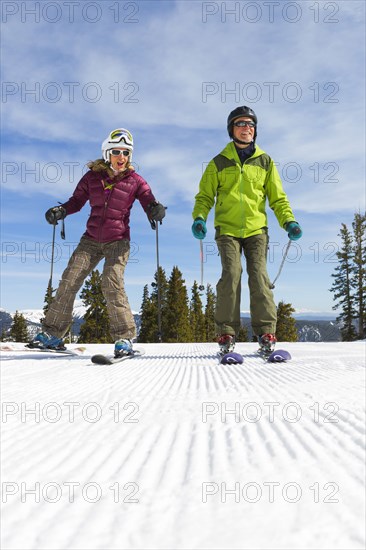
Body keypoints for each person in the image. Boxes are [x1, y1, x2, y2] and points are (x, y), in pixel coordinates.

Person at [30, 128, 165, 357]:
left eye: (125, 152)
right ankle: (53, 334)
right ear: (107, 153)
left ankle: (124, 338)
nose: (121, 157)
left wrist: (155, 209)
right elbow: (76, 202)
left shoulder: (135, 181)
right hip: (91, 239)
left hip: (118, 241)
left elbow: (148, 200)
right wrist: (61, 211)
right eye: (116, 152)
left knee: (111, 282)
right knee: (69, 280)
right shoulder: (92, 177)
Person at [191, 106, 302, 355]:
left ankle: (265, 332)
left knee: (259, 276)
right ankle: (226, 333)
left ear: (255, 131)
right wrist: (200, 218)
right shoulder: (218, 162)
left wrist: (289, 222)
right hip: (227, 229)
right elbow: (205, 197)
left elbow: (278, 199)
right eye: (241, 124)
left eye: (251, 125)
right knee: (231, 274)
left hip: (256, 230)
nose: (246, 128)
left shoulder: (265, 161)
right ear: (232, 129)